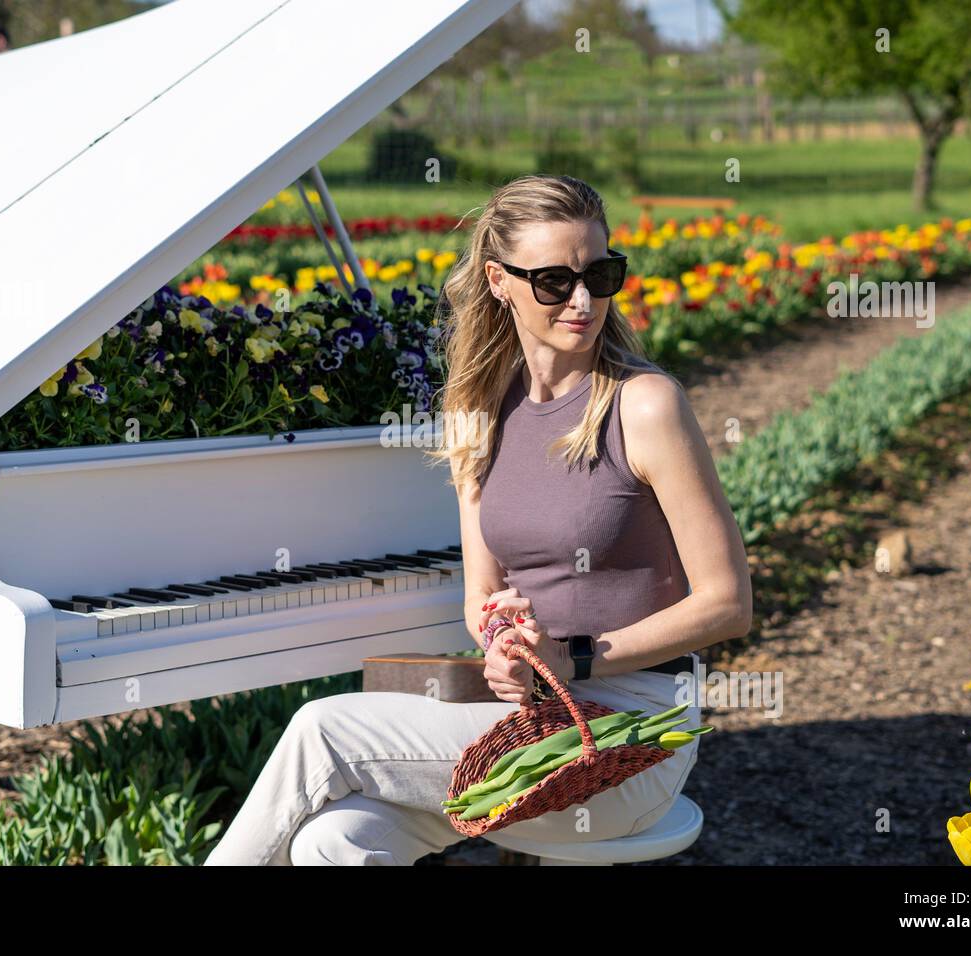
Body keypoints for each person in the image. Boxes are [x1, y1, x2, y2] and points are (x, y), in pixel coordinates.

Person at [204, 173, 752, 865]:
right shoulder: (480, 412)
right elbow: (481, 597)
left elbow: (729, 605)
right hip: (520, 722)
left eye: (601, 274)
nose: (583, 300)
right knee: (334, 842)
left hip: (631, 738)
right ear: (499, 280)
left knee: (323, 728)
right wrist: (500, 637)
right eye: (554, 280)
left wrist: (573, 657)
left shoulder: (644, 405)